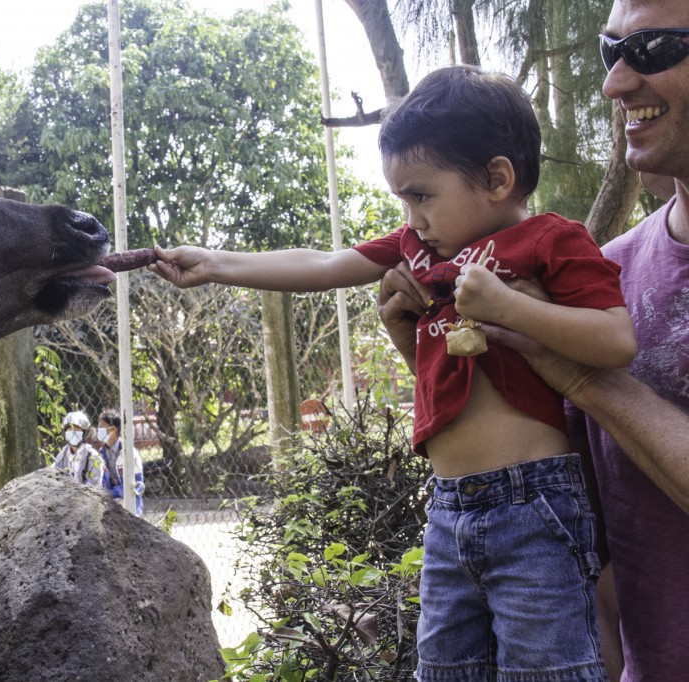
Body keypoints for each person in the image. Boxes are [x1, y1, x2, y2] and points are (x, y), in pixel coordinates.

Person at [151, 64, 639, 680]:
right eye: (401, 200)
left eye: (421, 194)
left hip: (535, 503)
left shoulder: (552, 240)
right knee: (443, 667)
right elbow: (326, 264)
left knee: (550, 669)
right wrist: (217, 264)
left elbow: (615, 338)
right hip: (448, 508)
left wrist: (508, 307)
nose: (411, 217)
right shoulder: (418, 249)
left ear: (496, 178)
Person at [376, 5, 689, 679]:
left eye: (657, 46)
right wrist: (431, 342)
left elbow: (585, 383)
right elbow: (575, 511)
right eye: (611, 52)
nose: (615, 82)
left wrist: (578, 374)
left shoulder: (565, 294)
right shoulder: (610, 269)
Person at [96, 409, 145, 517]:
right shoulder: (100, 454)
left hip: (130, 505)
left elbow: (138, 485)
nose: (98, 431)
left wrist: (113, 493)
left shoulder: (130, 453)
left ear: (113, 430)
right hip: (109, 505)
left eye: (102, 428)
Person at [51, 411, 107, 488]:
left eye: (77, 429)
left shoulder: (93, 456)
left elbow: (94, 485)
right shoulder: (63, 453)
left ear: (84, 433)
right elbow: (52, 474)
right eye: (70, 429)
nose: (73, 432)